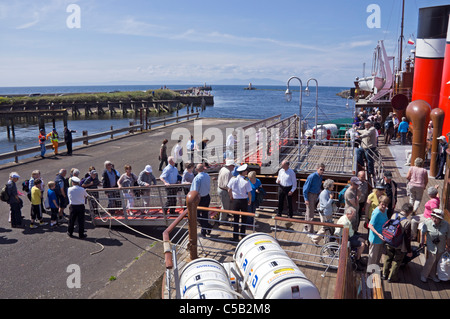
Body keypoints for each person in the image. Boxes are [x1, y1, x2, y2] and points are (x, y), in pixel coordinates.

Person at [382, 203, 414, 282]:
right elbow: (407, 238)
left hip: (389, 240)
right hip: (399, 245)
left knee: (388, 257)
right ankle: (392, 277)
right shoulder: (407, 222)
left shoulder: (394, 215)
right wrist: (409, 251)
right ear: (409, 212)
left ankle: (384, 274)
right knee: (397, 261)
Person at [420, 209, 450, 283]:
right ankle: (424, 275)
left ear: (441, 219)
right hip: (431, 246)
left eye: (437, 218)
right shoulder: (427, 223)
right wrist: (422, 242)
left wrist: (448, 246)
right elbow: (423, 232)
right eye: (433, 217)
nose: (434, 219)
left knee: (437, 261)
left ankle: (433, 275)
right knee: (431, 260)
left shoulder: (446, 225)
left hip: (441, 246)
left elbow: (448, 237)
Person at [227, 163, 252, 240]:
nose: (247, 172)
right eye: (246, 171)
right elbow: (249, 192)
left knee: (236, 219)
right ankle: (242, 235)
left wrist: (231, 197)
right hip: (244, 201)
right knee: (244, 218)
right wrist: (250, 200)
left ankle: (235, 237)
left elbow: (229, 189)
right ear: (243, 172)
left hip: (235, 201)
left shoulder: (233, 179)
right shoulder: (246, 180)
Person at [367, 195, 390, 269]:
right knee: (373, 256)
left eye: (385, 204)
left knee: (379, 255)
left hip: (382, 237)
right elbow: (370, 225)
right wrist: (378, 234)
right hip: (375, 238)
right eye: (382, 204)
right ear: (379, 203)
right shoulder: (377, 213)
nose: (383, 206)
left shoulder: (385, 210)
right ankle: (370, 272)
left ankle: (375, 269)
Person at [310, 179, 335, 245]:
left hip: (328, 213)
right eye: (332, 185)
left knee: (328, 228)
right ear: (329, 186)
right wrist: (331, 199)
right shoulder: (324, 193)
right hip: (325, 214)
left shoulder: (328, 192)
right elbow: (325, 205)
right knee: (325, 228)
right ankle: (315, 239)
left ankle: (326, 241)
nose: (333, 186)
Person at [303, 163, 325, 233]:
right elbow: (305, 188)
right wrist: (306, 199)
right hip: (310, 195)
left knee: (308, 213)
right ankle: (310, 231)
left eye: (323, 170)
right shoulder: (311, 177)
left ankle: (306, 227)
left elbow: (318, 186)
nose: (322, 171)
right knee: (310, 214)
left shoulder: (320, 177)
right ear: (317, 169)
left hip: (316, 195)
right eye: (321, 169)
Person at [190, 164, 212, 236]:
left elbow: (195, 190)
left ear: (196, 170)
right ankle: (205, 228)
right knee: (205, 213)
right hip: (206, 196)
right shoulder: (207, 176)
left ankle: (206, 226)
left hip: (200, 198)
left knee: (196, 214)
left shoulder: (197, 178)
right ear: (203, 169)